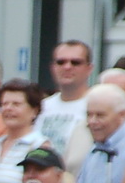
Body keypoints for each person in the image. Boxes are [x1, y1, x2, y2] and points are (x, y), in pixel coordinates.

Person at [38, 40, 94, 175]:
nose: (67, 67)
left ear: (89, 68)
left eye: (76, 62)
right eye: (61, 62)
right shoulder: (42, 107)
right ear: (52, 67)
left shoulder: (95, 105)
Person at [75, 84, 125, 183]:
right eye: (89, 115)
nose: (92, 121)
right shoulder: (94, 148)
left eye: (100, 115)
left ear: (122, 115)